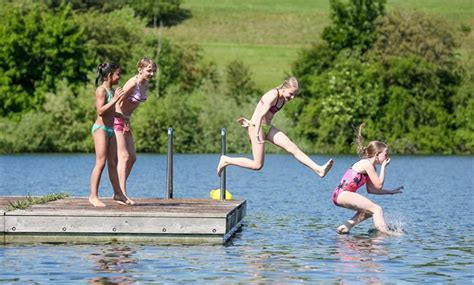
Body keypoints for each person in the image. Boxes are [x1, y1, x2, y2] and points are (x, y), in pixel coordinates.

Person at [217, 77, 333, 177]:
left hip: (267, 127)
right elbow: (261, 114)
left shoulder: (283, 98)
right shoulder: (273, 95)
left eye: (295, 95)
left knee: (292, 147)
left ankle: (319, 169)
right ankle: (226, 160)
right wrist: (256, 132)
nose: (292, 97)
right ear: (284, 88)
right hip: (257, 128)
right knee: (257, 165)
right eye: (291, 94)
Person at [331, 124, 404, 235]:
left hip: (340, 195)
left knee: (369, 211)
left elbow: (372, 189)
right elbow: (379, 185)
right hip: (343, 194)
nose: (387, 157)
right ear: (377, 154)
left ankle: (347, 226)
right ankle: (385, 232)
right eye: (386, 154)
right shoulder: (367, 164)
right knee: (377, 209)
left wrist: (391, 192)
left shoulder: (370, 166)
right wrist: (384, 167)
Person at [114, 58, 157, 205]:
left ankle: (118, 191)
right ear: (140, 69)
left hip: (126, 120)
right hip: (117, 119)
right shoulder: (133, 83)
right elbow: (117, 104)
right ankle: (122, 194)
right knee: (124, 156)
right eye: (149, 70)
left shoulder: (145, 83)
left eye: (153, 71)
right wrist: (124, 121)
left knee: (132, 157)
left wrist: (127, 120)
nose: (151, 73)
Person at [89, 62, 128, 207]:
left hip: (111, 129)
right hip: (101, 129)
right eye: (118, 74)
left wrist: (122, 117)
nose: (120, 77)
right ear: (109, 75)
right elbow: (100, 111)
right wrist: (115, 99)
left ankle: (118, 193)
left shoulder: (111, 90)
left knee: (113, 162)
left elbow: (110, 111)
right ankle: (93, 196)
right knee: (101, 162)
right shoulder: (101, 90)